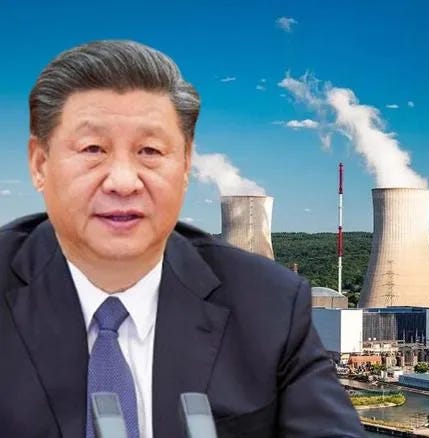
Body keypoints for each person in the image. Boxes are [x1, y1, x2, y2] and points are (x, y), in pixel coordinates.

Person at [0, 40, 364, 438]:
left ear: (187, 164)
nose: (123, 181)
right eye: (92, 149)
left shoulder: (269, 304)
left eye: (149, 150)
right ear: (39, 163)